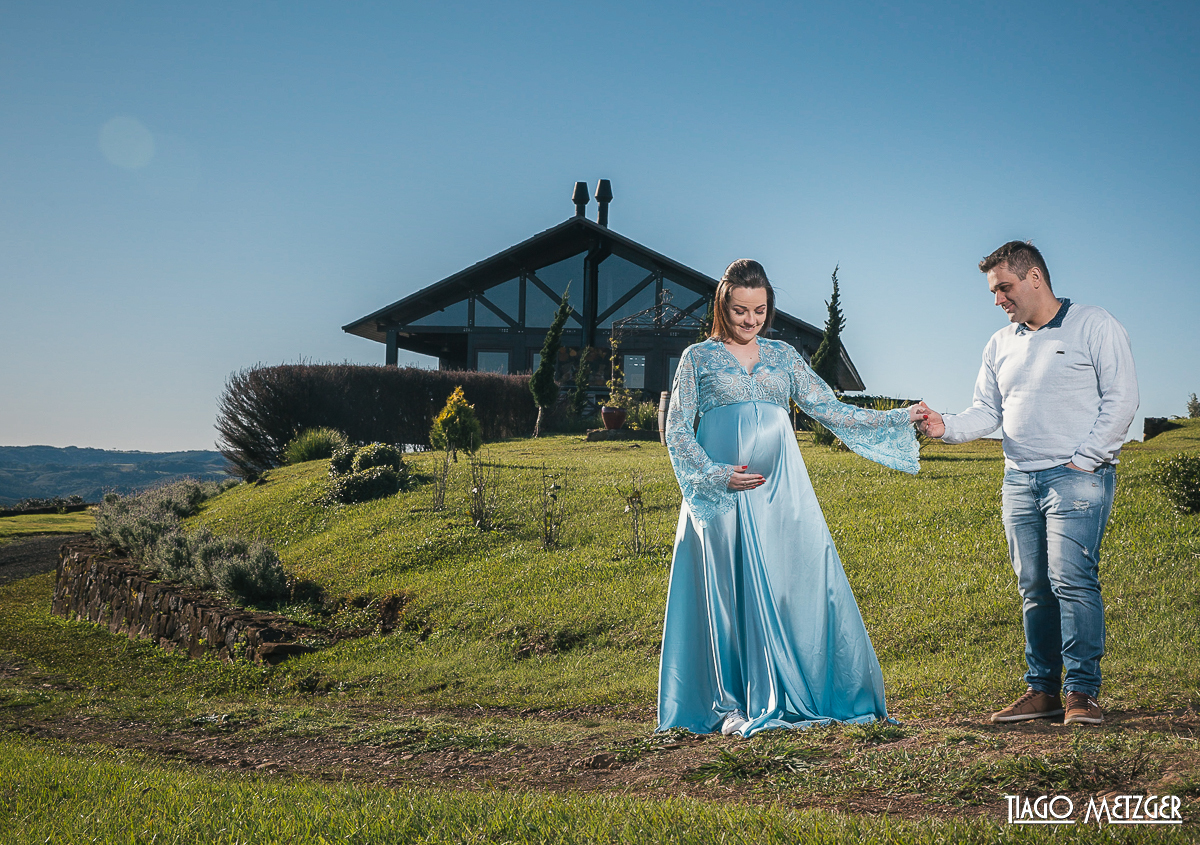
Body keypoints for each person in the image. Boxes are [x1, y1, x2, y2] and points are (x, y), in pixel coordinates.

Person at [658, 259, 924, 738]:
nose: (750, 320)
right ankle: (732, 698)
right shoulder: (697, 358)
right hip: (720, 495)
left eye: (759, 310)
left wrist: (898, 418)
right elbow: (676, 430)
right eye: (740, 310)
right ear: (723, 306)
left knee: (794, 584)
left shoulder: (783, 356)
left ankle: (800, 685)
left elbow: (830, 409)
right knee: (725, 590)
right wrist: (717, 475)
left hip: (780, 495)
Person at [916, 241, 1138, 726]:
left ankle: (1082, 693)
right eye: (994, 291)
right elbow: (988, 412)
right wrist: (944, 426)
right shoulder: (1000, 343)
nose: (998, 300)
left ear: (1034, 277)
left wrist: (1084, 460)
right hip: (1018, 479)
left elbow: (1122, 399)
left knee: (1072, 582)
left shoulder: (1094, 324)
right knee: (1035, 587)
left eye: (1004, 288)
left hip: (1076, 478)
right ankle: (1042, 692)